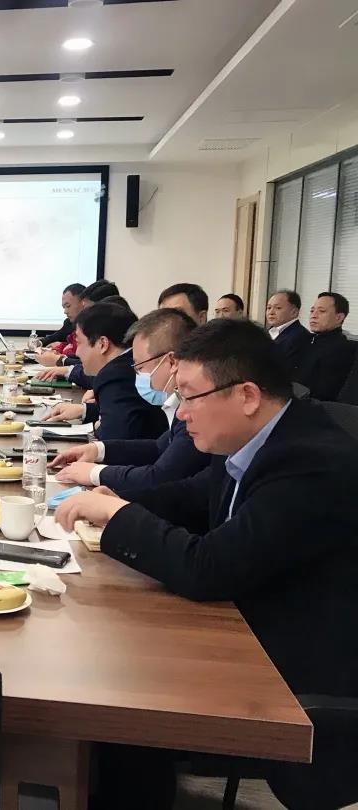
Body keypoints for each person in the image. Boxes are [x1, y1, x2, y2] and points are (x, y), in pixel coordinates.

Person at [55, 318, 358, 809]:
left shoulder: (310, 462)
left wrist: (121, 518)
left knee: (125, 690)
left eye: (191, 396)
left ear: (247, 395)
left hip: (294, 666)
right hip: (247, 624)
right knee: (114, 652)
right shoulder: (255, 438)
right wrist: (117, 499)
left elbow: (208, 568)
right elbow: (192, 496)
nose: (180, 412)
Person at [48, 308, 209, 497]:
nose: (136, 375)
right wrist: (97, 450)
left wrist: (95, 473)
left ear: (172, 362)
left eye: (140, 367)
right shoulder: (178, 403)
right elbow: (159, 447)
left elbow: (161, 476)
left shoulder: (195, 410)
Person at [43, 303, 168, 441]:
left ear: (102, 344)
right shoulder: (125, 364)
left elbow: (111, 439)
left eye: (79, 342)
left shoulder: (115, 375)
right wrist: (85, 411)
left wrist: (99, 427)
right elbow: (128, 412)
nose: (77, 352)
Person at [38, 280, 120, 367]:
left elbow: (94, 364)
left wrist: (61, 360)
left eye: (88, 308)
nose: (86, 312)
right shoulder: (80, 325)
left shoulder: (112, 332)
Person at [295, 292, 356, 402]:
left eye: (322, 311)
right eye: (312, 311)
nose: (313, 315)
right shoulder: (309, 340)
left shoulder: (342, 348)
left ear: (339, 317)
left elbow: (324, 392)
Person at [264, 289, 309, 372]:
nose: (271, 312)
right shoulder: (265, 332)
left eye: (278, 308)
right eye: (269, 308)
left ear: (294, 312)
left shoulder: (300, 336)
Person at [39, 283, 86, 347]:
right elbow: (55, 337)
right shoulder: (69, 323)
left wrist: (62, 346)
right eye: (64, 307)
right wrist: (39, 343)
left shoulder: (95, 326)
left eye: (68, 306)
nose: (65, 312)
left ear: (83, 302)